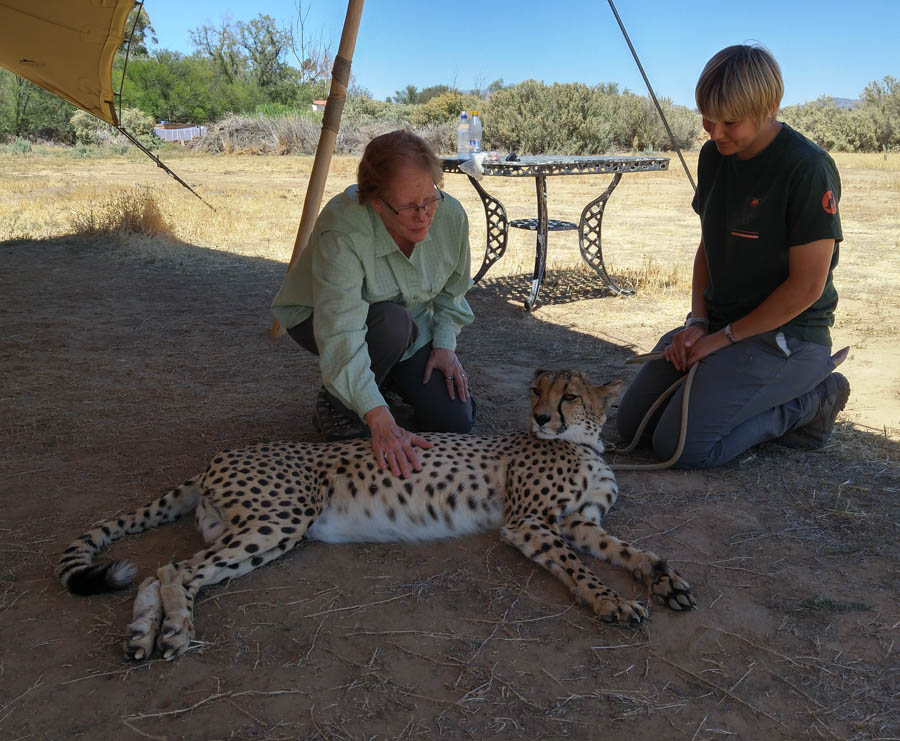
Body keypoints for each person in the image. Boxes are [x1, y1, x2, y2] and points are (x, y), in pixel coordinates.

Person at [616, 44, 850, 469]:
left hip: (790, 337)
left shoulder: (808, 167)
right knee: (631, 427)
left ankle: (812, 402)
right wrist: (697, 323)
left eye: (730, 122)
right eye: (707, 119)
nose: (715, 133)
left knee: (681, 447)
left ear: (770, 107)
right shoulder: (713, 157)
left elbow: (807, 287)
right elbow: (709, 245)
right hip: (722, 328)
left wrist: (718, 342)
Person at [272, 129, 476, 478]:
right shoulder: (344, 229)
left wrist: (444, 345)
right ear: (376, 202)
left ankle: (382, 380)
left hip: (407, 326)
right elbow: (341, 332)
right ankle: (338, 402)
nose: (424, 215)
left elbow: (452, 291)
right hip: (323, 320)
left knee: (454, 421)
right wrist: (375, 416)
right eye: (409, 206)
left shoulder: (451, 215)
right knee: (392, 325)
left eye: (430, 199)